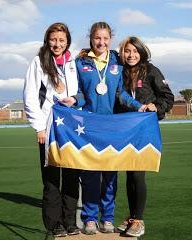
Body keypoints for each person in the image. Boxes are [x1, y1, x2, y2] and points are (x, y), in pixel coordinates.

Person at [60, 22, 152, 235]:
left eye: (105, 38)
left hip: (112, 126)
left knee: (110, 175)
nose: (101, 42)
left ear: (110, 39)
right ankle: (90, 218)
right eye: (97, 38)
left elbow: (121, 94)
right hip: (89, 126)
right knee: (91, 174)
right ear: (90, 39)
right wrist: (73, 99)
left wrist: (140, 106)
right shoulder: (81, 62)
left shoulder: (117, 61)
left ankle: (107, 217)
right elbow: (82, 93)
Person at [23, 22, 81, 237]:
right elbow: (30, 96)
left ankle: (70, 222)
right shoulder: (39, 62)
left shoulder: (73, 61)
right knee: (52, 179)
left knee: (72, 177)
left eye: (61, 40)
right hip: (49, 129)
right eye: (53, 40)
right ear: (47, 39)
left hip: (73, 129)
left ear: (67, 42)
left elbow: (79, 91)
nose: (57, 44)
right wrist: (39, 127)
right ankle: (54, 224)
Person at [115, 36, 174, 237]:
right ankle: (132, 217)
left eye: (135, 51)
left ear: (141, 51)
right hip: (124, 129)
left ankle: (139, 220)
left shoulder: (151, 70)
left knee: (138, 174)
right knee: (130, 174)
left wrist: (156, 107)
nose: (131, 55)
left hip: (144, 130)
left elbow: (168, 96)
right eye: (127, 51)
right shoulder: (120, 71)